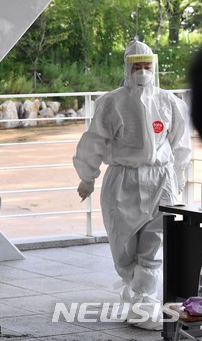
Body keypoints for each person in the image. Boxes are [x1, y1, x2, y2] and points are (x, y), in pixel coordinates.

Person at [73, 39, 191, 330]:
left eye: (146, 66)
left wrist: (179, 176)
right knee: (122, 246)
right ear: (127, 68)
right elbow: (95, 141)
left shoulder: (170, 102)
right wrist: (87, 177)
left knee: (153, 245)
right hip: (123, 180)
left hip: (160, 180)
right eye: (136, 66)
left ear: (154, 67)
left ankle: (146, 302)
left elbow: (180, 144)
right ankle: (133, 288)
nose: (142, 72)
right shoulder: (111, 102)